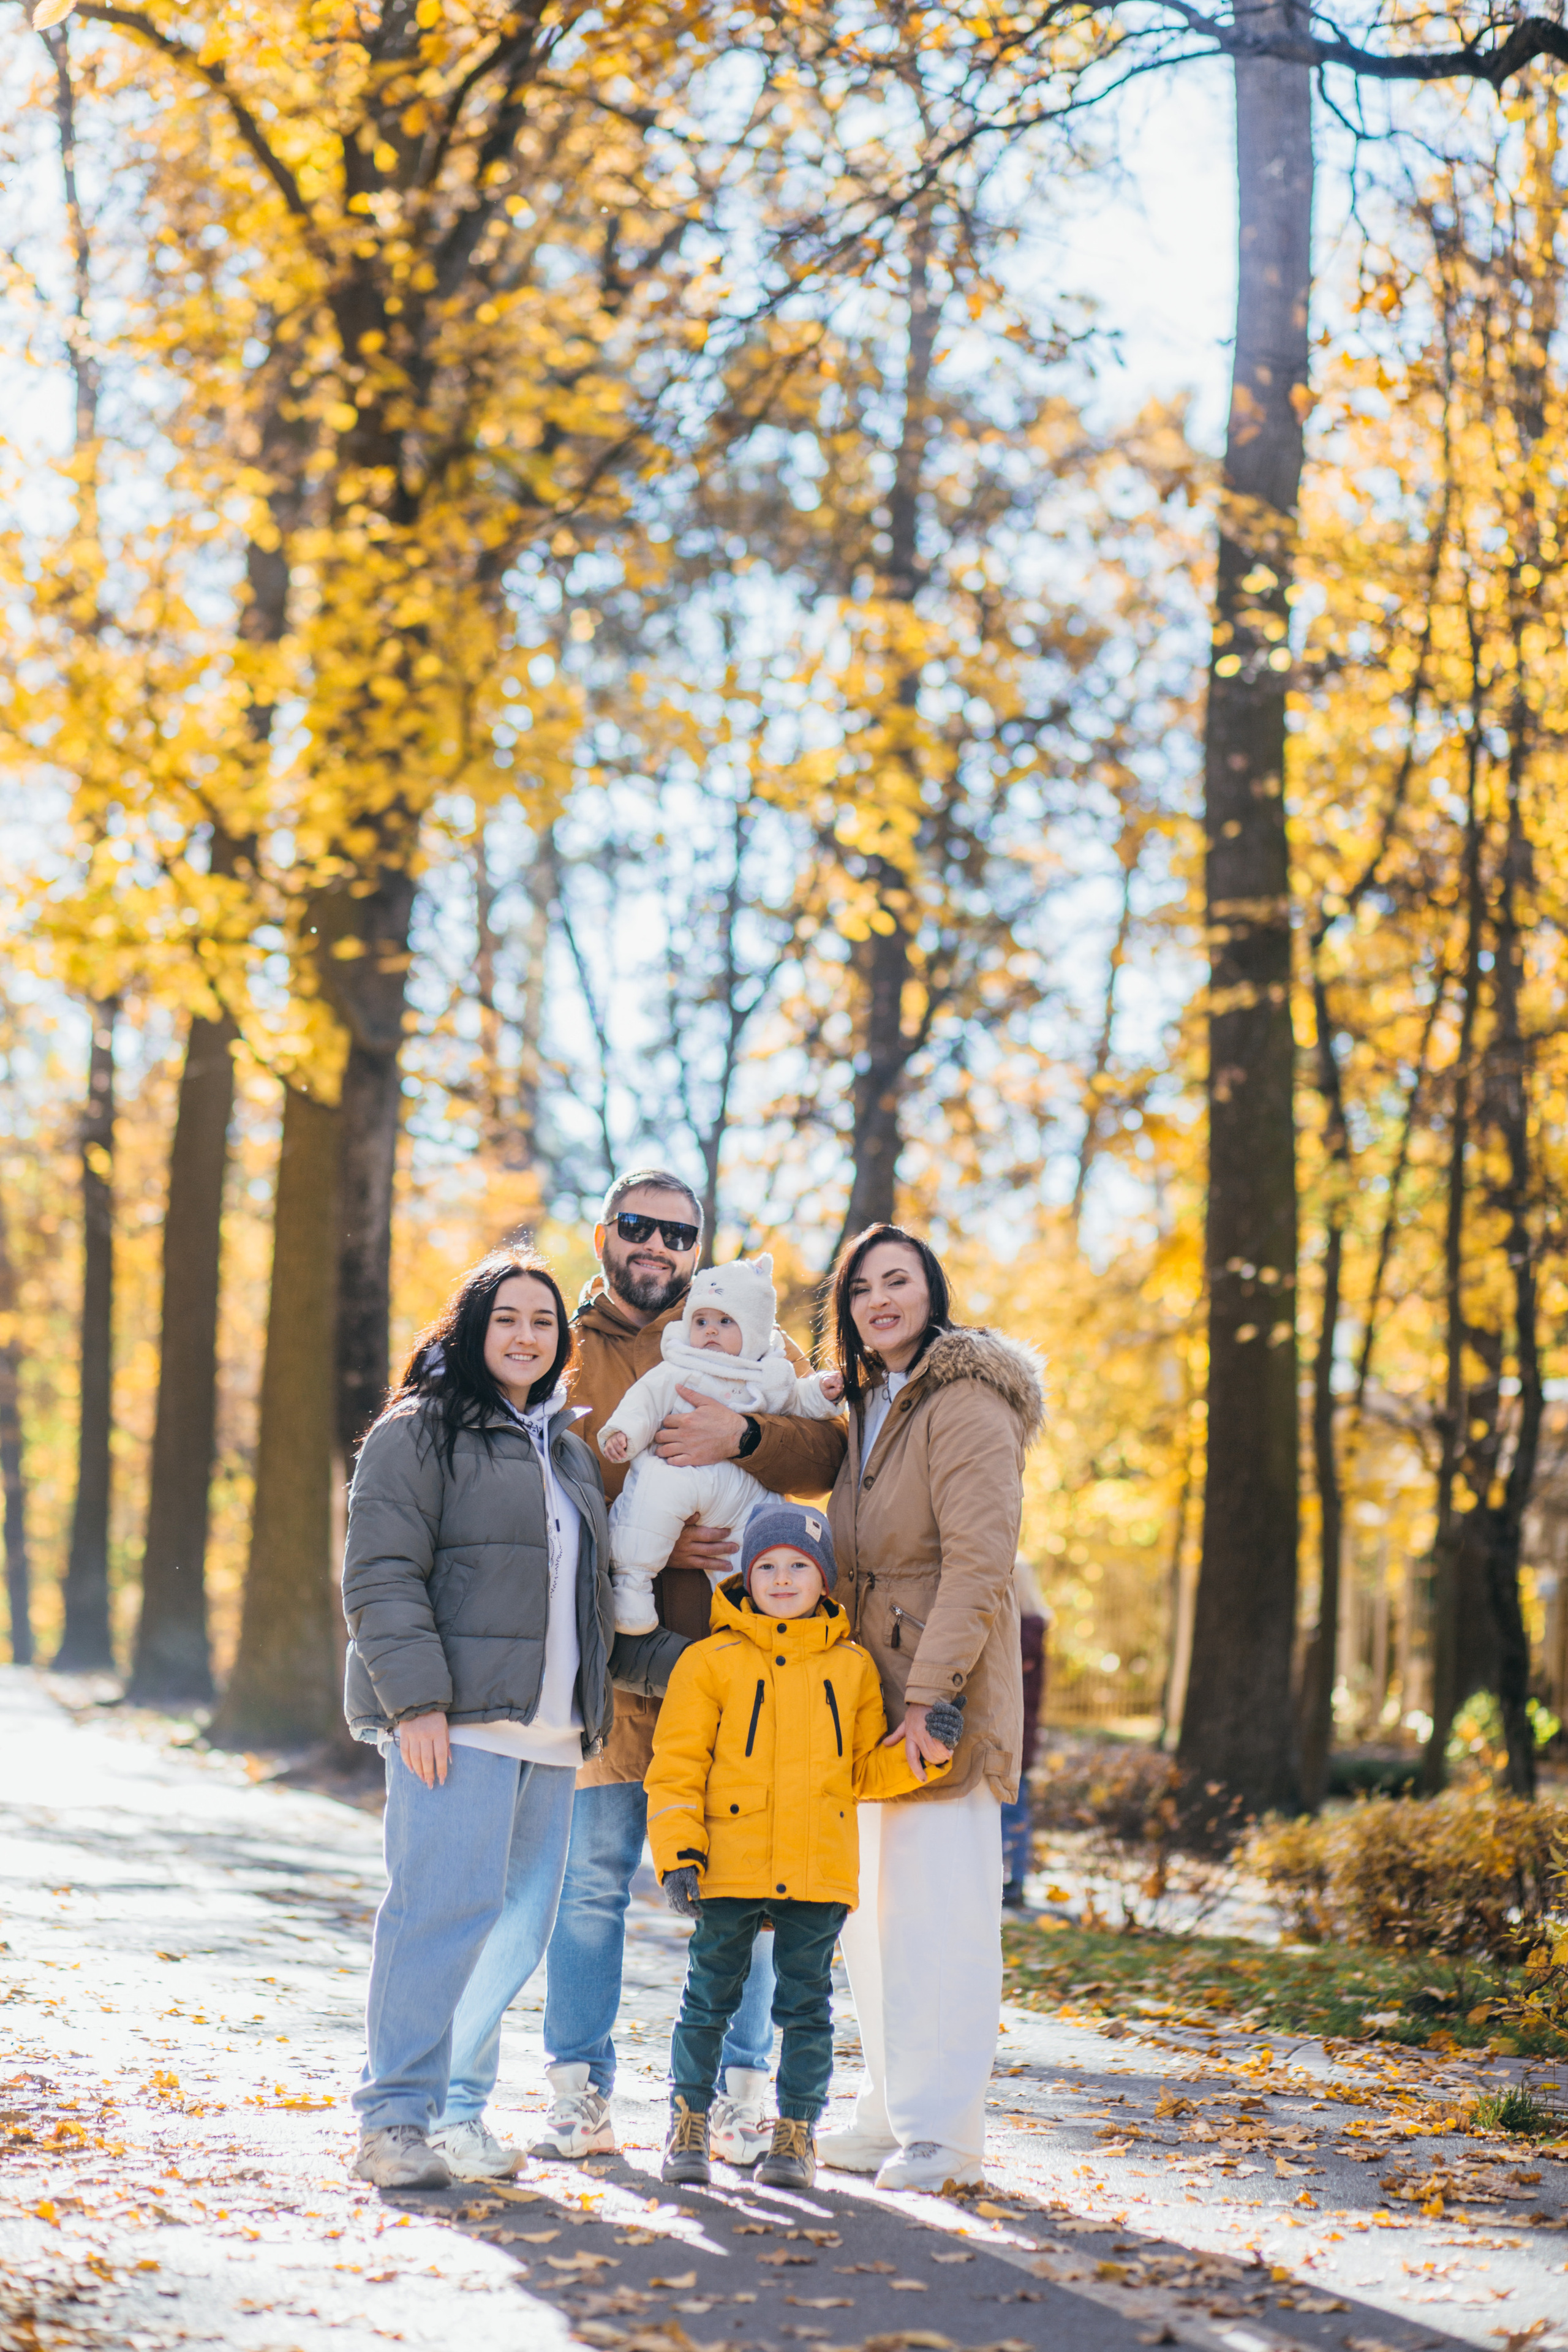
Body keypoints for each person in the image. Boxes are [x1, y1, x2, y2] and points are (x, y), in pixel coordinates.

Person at [536, 1172, 847, 2168]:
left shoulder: (751, 1332)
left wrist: (742, 1437)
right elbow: (544, 1490)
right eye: (639, 1228)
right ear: (604, 1236)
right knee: (592, 1882)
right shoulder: (567, 1349)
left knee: (752, 1897)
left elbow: (824, 1455)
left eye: (678, 1232)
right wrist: (656, 1537)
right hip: (611, 1666)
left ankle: (745, 2095)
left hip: (738, 1673)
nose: (658, 1247)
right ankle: (578, 2093)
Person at [342, 1249, 622, 2190]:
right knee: (438, 1915)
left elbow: (589, 1597)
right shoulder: (418, 1431)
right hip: (454, 1724)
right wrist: (414, 1702)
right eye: (508, 1317)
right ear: (471, 1327)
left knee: (514, 1935)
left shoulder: (567, 1449)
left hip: (550, 1738)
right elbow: (380, 1576)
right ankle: (393, 2123)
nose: (526, 1335)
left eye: (543, 1322)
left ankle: (456, 2117)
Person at [820, 1223, 1044, 2193]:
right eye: (862, 1287)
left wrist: (930, 1698)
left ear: (931, 1291)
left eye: (898, 1281)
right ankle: (886, 2110)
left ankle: (945, 2135)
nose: (880, 1299)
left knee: (939, 1925)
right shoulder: (868, 1405)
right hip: (860, 1699)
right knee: (870, 1921)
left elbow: (981, 1564)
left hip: (932, 1700)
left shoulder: (964, 1399)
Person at [646, 1505, 959, 2190]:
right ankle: (688, 2123)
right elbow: (675, 1769)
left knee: (806, 2008)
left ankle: (795, 2136)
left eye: (798, 1566)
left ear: (823, 1580)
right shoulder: (709, 1662)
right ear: (745, 1577)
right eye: (766, 1566)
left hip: (817, 1868)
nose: (782, 1578)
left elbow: (863, 1773)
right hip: (728, 1864)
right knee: (708, 2000)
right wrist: (678, 1855)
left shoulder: (850, 1669)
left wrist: (923, 1757)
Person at [598, 1253, 843, 1633]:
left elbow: (798, 1401)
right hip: (681, 1472)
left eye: (725, 1321)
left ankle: (760, 1622)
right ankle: (632, 1586)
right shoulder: (679, 1366)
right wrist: (625, 1434)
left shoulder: (768, 1371)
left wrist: (823, 1394)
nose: (711, 1331)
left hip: (744, 1490)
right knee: (648, 1502)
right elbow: (644, 1402)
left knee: (762, 1542)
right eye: (701, 1321)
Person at [1001, 1558, 1050, 1912]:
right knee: (1011, 1810)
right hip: (1016, 1732)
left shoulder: (1026, 1630)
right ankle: (1010, 1881)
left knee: (1013, 1810)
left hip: (1016, 1734)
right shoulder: (1029, 1627)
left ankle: (1013, 1883)